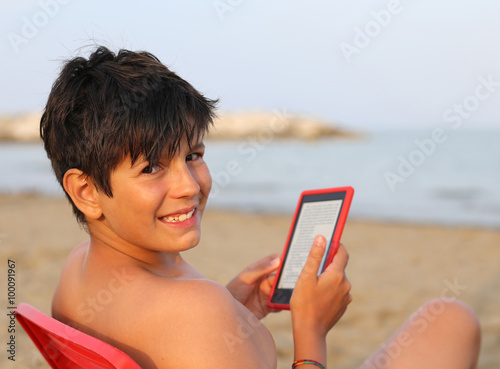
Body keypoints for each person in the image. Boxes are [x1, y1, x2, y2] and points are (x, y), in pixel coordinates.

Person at [42, 46, 480, 369]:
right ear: (85, 192)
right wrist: (311, 333)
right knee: (452, 319)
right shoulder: (196, 310)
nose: (189, 186)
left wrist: (236, 309)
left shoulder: (77, 268)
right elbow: (182, 326)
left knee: (448, 320)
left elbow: (163, 342)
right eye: (153, 167)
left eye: (193, 155)